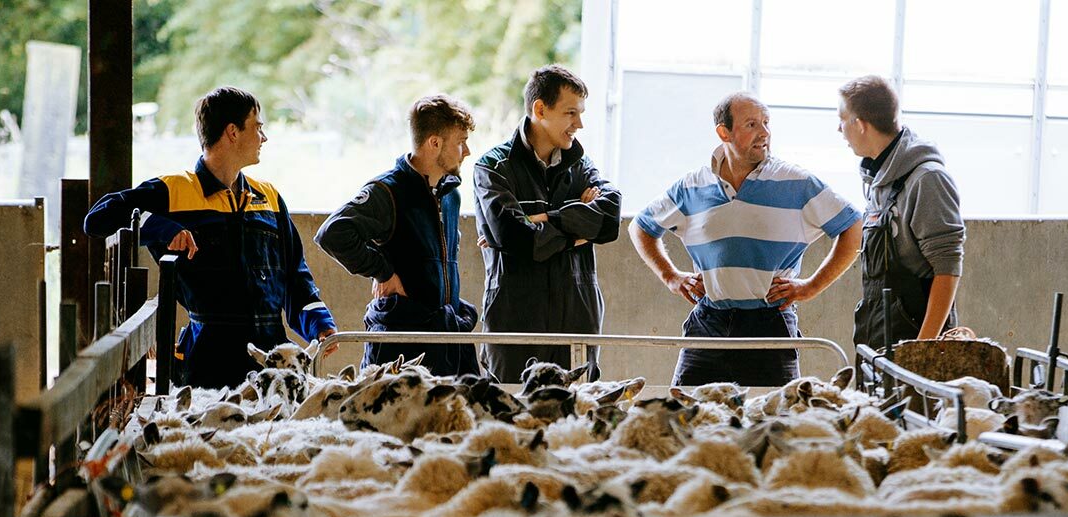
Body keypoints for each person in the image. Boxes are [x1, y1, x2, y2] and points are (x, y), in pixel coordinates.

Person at [84, 86, 336, 389]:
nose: (263, 138)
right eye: (257, 128)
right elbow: (97, 218)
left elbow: (296, 275)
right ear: (232, 131)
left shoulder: (268, 197)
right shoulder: (174, 191)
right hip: (208, 359)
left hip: (272, 359)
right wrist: (164, 228)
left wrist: (319, 325)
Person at [631, 92, 862, 387]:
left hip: (770, 323)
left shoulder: (797, 182)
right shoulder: (692, 185)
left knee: (774, 422)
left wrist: (811, 287)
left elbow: (853, 226)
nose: (764, 132)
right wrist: (670, 276)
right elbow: (641, 227)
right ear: (723, 132)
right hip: (708, 322)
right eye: (752, 124)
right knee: (686, 417)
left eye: (766, 123)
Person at [473, 65, 621, 382]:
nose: (579, 124)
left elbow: (609, 220)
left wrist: (545, 219)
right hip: (515, 324)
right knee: (511, 422)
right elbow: (518, 239)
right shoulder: (492, 168)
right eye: (571, 113)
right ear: (540, 109)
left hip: (578, 324)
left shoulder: (581, 165)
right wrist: (578, 226)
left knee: (578, 426)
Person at [315, 95, 481, 376]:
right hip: (401, 342)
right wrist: (383, 272)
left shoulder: (451, 194)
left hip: (447, 338)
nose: (466, 151)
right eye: (460, 142)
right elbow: (333, 232)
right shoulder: (388, 190)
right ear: (434, 143)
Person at [836, 75, 966, 351]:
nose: (839, 129)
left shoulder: (927, 179)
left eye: (842, 119)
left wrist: (921, 351)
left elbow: (947, 268)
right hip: (879, 341)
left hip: (914, 347)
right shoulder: (878, 178)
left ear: (860, 125)